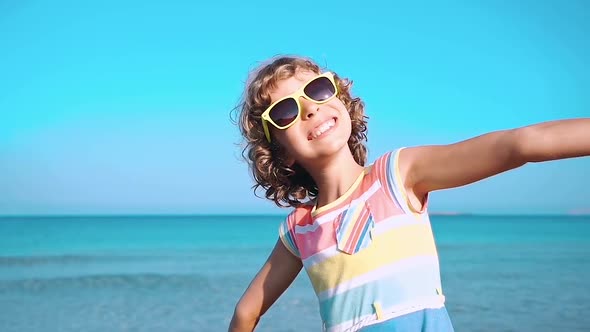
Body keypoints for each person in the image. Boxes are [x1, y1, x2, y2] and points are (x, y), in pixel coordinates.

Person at [228, 55, 590, 332]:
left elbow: (519, 145)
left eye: (317, 89)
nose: (309, 108)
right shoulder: (299, 228)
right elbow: (247, 310)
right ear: (279, 149)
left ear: (341, 98)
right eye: (286, 111)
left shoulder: (396, 176)